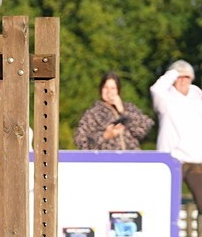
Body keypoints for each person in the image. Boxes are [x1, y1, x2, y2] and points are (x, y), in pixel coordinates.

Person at [150, 59, 202, 216]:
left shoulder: (198, 97)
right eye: (178, 77)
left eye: (186, 77)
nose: (182, 81)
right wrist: (174, 72)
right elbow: (155, 89)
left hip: (196, 161)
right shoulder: (165, 98)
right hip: (171, 160)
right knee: (166, 204)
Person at [74, 71, 153, 150]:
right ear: (101, 89)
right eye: (105, 88)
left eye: (113, 88)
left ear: (118, 90)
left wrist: (122, 110)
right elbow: (80, 141)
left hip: (131, 160)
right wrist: (105, 136)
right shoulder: (92, 114)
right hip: (107, 160)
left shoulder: (129, 108)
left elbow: (146, 127)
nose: (109, 92)